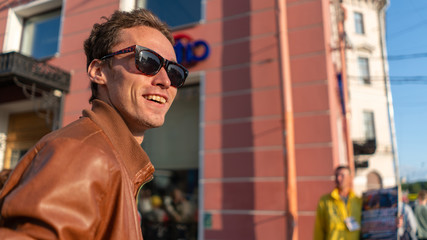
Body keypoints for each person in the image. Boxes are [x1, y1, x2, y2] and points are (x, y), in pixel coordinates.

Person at [0, 8, 188, 239]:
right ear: (99, 71)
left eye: (175, 72)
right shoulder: (84, 153)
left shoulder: (115, 159)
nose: (165, 81)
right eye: (147, 61)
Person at [314, 165, 362, 240]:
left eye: (342, 175)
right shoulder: (325, 201)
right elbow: (319, 229)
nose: (338, 178)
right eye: (336, 175)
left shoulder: (358, 201)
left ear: (350, 177)